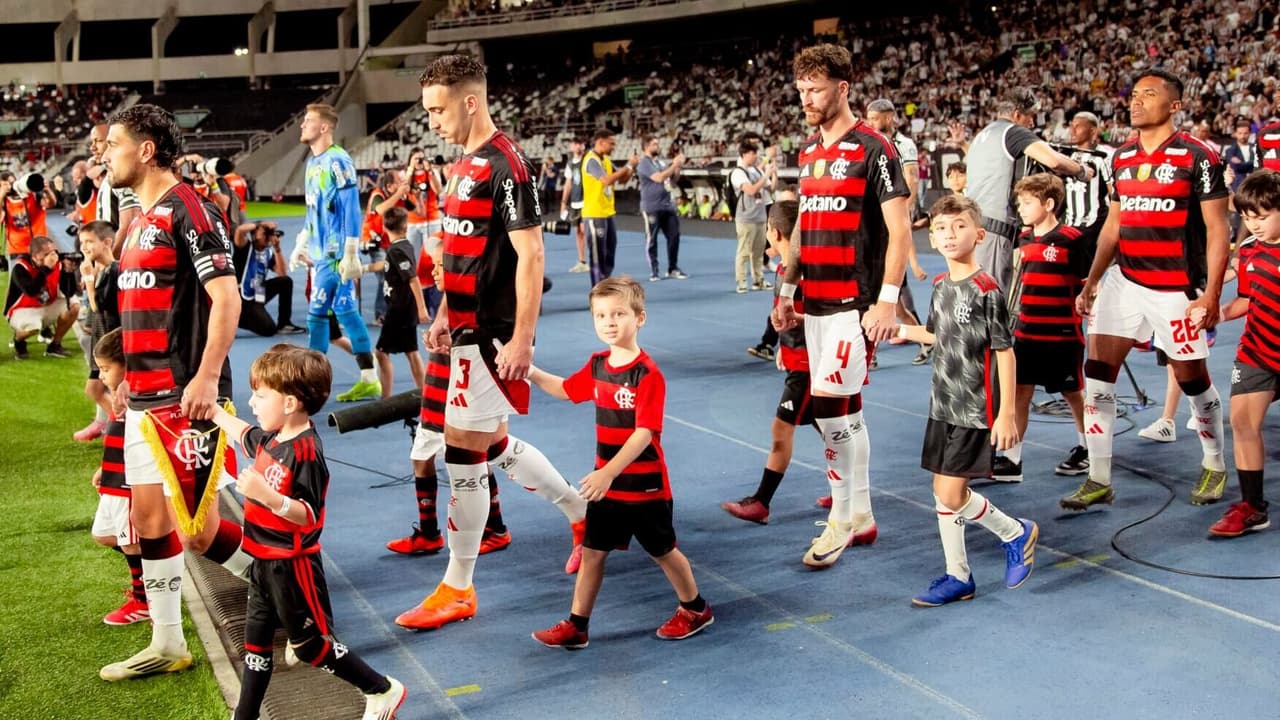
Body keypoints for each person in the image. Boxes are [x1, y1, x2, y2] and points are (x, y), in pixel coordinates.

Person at [397, 54, 588, 632]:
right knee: (494, 443)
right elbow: (462, 254)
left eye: (437, 109)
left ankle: (458, 587)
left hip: (493, 337)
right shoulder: (465, 165)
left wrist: (522, 340)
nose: (431, 121)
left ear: (470, 101)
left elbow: (531, 255)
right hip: (463, 332)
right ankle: (583, 513)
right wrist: (442, 319)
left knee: (462, 447)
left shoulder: (508, 164)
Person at [97, 104, 253, 682]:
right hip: (142, 397)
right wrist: (124, 381)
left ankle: (286, 588)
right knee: (149, 520)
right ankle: (167, 642)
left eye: (112, 144)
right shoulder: (139, 218)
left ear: (145, 150)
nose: (103, 153)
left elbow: (227, 299)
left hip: (184, 397)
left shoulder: (191, 209)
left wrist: (208, 377)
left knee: (197, 528)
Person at [207, 345, 406, 720]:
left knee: (310, 646)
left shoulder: (306, 452)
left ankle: (381, 689)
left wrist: (266, 497)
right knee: (256, 648)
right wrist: (214, 410)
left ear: (289, 403)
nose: (251, 402)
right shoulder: (272, 437)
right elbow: (243, 433)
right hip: (262, 563)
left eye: (260, 395)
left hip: (291, 567)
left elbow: (309, 516)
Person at [1064, 69, 1231, 511]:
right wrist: (1095, 278)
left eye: (1149, 95)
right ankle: (1099, 477)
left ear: (1175, 106)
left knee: (1192, 379)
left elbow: (1218, 231)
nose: (1135, 102)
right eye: (1134, 95)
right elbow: (1113, 227)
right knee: (1097, 376)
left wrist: (1211, 294)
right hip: (1125, 279)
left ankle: (1214, 462)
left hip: (1175, 287)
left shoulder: (1199, 157)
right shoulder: (1119, 158)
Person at [772, 43, 911, 568]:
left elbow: (900, 231)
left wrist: (888, 303)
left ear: (843, 88)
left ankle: (840, 521)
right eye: (802, 89)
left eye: (817, 89)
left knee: (829, 411)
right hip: (816, 305)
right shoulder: (810, 152)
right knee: (847, 410)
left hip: (856, 305)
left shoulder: (875, 148)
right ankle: (864, 513)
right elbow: (805, 226)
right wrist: (787, 290)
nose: (807, 98)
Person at [529, 277, 713, 648]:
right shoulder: (598, 365)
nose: (609, 322)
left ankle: (695, 608)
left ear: (639, 318)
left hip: (643, 488)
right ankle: (577, 625)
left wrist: (608, 472)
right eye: (600, 315)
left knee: (664, 551)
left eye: (618, 314)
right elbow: (567, 390)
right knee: (593, 553)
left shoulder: (648, 374)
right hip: (606, 489)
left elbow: (645, 432)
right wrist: (530, 372)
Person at [895, 193, 1039, 607]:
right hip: (943, 404)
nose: (948, 235)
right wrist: (899, 331)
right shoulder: (940, 286)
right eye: (940, 228)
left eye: (958, 226)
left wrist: (1007, 414)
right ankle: (958, 575)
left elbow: (1005, 351)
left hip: (975, 406)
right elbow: (936, 336)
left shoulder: (986, 289)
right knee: (942, 492)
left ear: (978, 234)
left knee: (953, 493)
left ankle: (1015, 532)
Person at [723, 199, 852, 528]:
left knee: (782, 431)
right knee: (828, 427)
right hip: (798, 359)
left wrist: (796, 321)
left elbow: (829, 315)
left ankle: (761, 502)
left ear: (774, 232)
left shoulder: (807, 270)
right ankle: (846, 492)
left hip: (811, 366)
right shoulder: (784, 268)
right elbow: (785, 313)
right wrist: (783, 342)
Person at [388, 241, 516, 556]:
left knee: (477, 460)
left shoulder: (476, 304)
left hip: (457, 399)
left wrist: (452, 340)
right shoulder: (451, 303)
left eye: (439, 266)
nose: (433, 270)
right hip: (439, 394)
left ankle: (494, 528)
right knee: (427, 458)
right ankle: (433, 532)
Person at [993, 173, 1091, 481]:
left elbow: (1089, 282)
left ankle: (1087, 448)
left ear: (1048, 204)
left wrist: (1087, 302)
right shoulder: (1023, 240)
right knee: (1020, 392)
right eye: (1019, 202)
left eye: (1027, 202)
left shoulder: (1072, 239)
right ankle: (1011, 459)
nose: (1020, 208)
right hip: (1027, 332)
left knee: (1073, 393)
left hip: (1062, 334)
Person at [290, 103, 382, 402]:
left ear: (325, 127)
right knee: (345, 313)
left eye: (309, 121)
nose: (303, 125)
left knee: (317, 315)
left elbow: (351, 207)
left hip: (335, 255)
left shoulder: (337, 161)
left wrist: (351, 250)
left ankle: (312, 383)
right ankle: (369, 378)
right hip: (321, 253)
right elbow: (313, 210)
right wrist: (301, 242)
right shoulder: (312, 163)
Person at [1207, 170, 1280, 536]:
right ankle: (1253, 508)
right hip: (1258, 350)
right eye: (1248, 219)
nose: (1254, 226)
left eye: (1262, 217)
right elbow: (1247, 299)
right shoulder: (1250, 251)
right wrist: (1216, 314)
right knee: (1242, 423)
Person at [964, 88, 1089, 291]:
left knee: (973, 296)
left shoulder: (983, 134)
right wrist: (1081, 170)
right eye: (1030, 116)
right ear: (1016, 114)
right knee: (990, 302)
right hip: (993, 230)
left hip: (973, 224)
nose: (1032, 123)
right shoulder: (1012, 132)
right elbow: (1053, 160)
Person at [87, 328, 149, 625]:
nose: (101, 376)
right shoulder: (120, 397)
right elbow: (116, 435)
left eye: (106, 369)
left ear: (127, 365)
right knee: (104, 535)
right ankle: (152, 571)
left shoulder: (140, 397)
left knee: (131, 543)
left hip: (127, 483)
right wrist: (104, 467)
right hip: (113, 478)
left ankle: (144, 600)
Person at [865, 99, 930, 366]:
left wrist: (901, 214)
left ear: (890, 118)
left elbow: (911, 180)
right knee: (880, 297)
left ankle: (925, 340)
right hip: (874, 227)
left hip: (892, 224)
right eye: (867, 117)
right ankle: (873, 353)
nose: (870, 122)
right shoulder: (869, 142)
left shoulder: (904, 145)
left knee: (897, 301)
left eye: (875, 118)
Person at [368, 206, 428, 398]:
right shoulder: (402, 246)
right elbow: (386, 264)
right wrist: (363, 269)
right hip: (404, 307)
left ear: (384, 227)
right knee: (411, 351)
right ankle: (426, 393)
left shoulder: (397, 250)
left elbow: (413, 278)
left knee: (380, 352)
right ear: (405, 226)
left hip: (400, 309)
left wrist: (422, 309)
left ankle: (386, 398)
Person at [73, 221, 122, 441]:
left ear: (107, 242)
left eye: (89, 242)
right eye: (82, 242)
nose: (84, 247)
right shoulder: (102, 270)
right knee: (95, 389)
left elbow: (98, 306)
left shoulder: (113, 270)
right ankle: (117, 426)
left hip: (111, 340)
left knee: (101, 389)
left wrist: (89, 281)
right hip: (101, 338)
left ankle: (125, 426)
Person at [4, 235, 77, 359]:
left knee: (74, 306)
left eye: (54, 251)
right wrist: (45, 269)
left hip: (46, 305)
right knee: (34, 326)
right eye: (48, 253)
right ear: (36, 255)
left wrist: (68, 273)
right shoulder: (21, 267)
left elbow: (69, 292)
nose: (54, 255)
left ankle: (55, 345)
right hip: (21, 310)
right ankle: (18, 339)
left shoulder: (58, 264)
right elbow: (31, 291)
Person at [582, 129, 636, 287]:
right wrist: (627, 166)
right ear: (600, 142)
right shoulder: (591, 160)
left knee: (610, 252)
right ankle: (598, 291)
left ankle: (605, 284)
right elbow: (606, 180)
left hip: (607, 213)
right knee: (598, 255)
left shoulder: (605, 159)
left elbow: (622, 179)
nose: (614, 146)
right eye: (611, 143)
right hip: (594, 213)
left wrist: (631, 168)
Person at [234, 221, 304, 337]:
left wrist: (277, 249)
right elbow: (239, 231)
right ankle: (238, 318)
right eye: (265, 233)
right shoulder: (245, 247)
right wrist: (260, 225)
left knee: (285, 281)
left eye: (270, 234)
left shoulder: (268, 253)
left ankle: (284, 324)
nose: (267, 237)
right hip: (243, 300)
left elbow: (282, 273)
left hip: (258, 294)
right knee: (269, 330)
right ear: (254, 235)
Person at [1062, 112, 1114, 259]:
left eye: (1078, 126)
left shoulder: (1103, 156)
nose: (1072, 130)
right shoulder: (1068, 155)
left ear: (1092, 130)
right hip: (1069, 226)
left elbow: (1113, 192)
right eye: (1072, 126)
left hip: (1093, 227)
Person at [637, 136, 688, 282]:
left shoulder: (660, 162)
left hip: (667, 205)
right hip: (652, 207)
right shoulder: (644, 164)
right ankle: (654, 270)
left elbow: (671, 181)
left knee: (674, 236)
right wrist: (674, 164)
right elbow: (658, 178)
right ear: (647, 146)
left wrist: (677, 168)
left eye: (657, 144)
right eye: (654, 144)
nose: (657, 146)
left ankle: (673, 267)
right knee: (651, 239)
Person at [87, 122, 142, 255]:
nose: (92, 148)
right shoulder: (111, 175)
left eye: (98, 141)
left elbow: (129, 224)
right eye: (92, 142)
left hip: (121, 261)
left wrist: (110, 261)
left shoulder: (122, 176)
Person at [730, 140, 775, 294]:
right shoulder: (738, 172)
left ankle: (758, 279)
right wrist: (766, 175)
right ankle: (741, 281)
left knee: (758, 252)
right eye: (753, 153)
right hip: (746, 217)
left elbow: (771, 188)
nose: (756, 156)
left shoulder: (758, 170)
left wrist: (773, 173)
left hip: (760, 215)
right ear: (744, 154)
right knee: (743, 251)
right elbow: (750, 190)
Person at [2, 171, 54, 261]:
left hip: (40, 246)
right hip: (17, 250)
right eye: (4, 185)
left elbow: (50, 204)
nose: (10, 187)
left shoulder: (32, 194)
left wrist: (47, 190)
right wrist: (1, 194)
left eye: (11, 183)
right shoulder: (4, 201)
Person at [560, 137, 590, 273]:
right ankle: (582, 261)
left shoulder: (588, 160)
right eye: (576, 144)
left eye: (580, 144)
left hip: (587, 201)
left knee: (585, 230)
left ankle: (595, 259)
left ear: (584, 146)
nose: (578, 146)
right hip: (574, 202)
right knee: (578, 232)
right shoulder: (571, 163)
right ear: (572, 147)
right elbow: (568, 184)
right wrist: (563, 203)